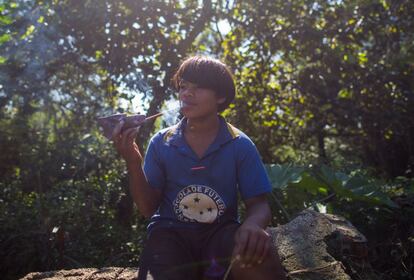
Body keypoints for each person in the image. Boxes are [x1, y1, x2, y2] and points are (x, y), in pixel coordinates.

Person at [113, 56, 286, 280]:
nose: (186, 93)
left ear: (221, 96)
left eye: (198, 87)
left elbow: (259, 205)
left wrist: (253, 225)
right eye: (183, 87)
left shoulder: (239, 144)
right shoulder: (161, 142)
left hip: (221, 234)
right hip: (169, 235)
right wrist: (133, 161)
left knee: (259, 255)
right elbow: (147, 208)